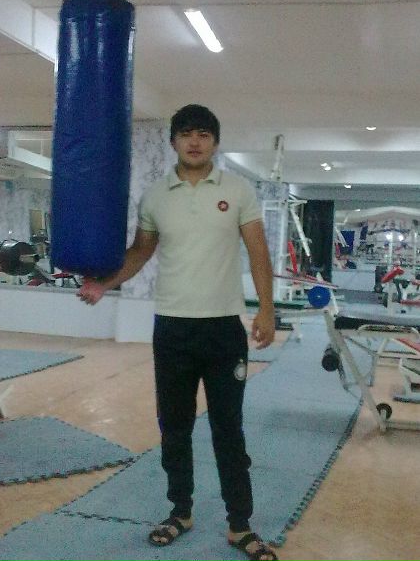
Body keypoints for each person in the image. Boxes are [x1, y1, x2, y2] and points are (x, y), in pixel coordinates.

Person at [78, 104, 277, 561]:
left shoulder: (238, 189)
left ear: (215, 142)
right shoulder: (155, 196)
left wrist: (266, 310)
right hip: (172, 328)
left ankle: (240, 525)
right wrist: (104, 284)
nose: (195, 141)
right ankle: (180, 511)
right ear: (173, 142)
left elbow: (258, 252)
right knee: (174, 427)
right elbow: (139, 253)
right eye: (187, 134)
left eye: (204, 134)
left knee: (229, 430)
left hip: (223, 328)